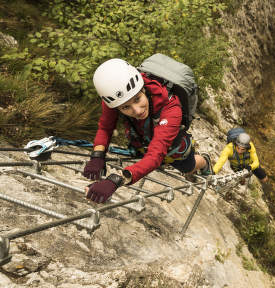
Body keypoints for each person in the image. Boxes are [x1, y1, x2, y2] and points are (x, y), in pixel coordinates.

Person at [83, 58, 212, 203]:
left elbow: (155, 155)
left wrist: (115, 181)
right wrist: (97, 156)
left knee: (188, 168)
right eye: (126, 107)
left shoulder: (171, 107)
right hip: (143, 142)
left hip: (173, 150)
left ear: (143, 88)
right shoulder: (115, 97)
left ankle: (205, 161)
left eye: (137, 99)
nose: (137, 111)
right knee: (148, 156)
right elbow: (105, 128)